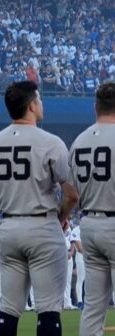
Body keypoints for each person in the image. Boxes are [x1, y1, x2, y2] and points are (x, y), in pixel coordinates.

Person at [0, 80, 78, 336]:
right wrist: (61, 218)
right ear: (31, 106)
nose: (41, 103)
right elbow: (71, 194)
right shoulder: (50, 141)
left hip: (9, 225)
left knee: (8, 308)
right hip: (42, 224)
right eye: (39, 99)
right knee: (48, 308)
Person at [71, 82, 115, 335]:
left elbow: (71, 191)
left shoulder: (79, 140)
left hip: (88, 223)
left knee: (93, 306)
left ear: (95, 107)